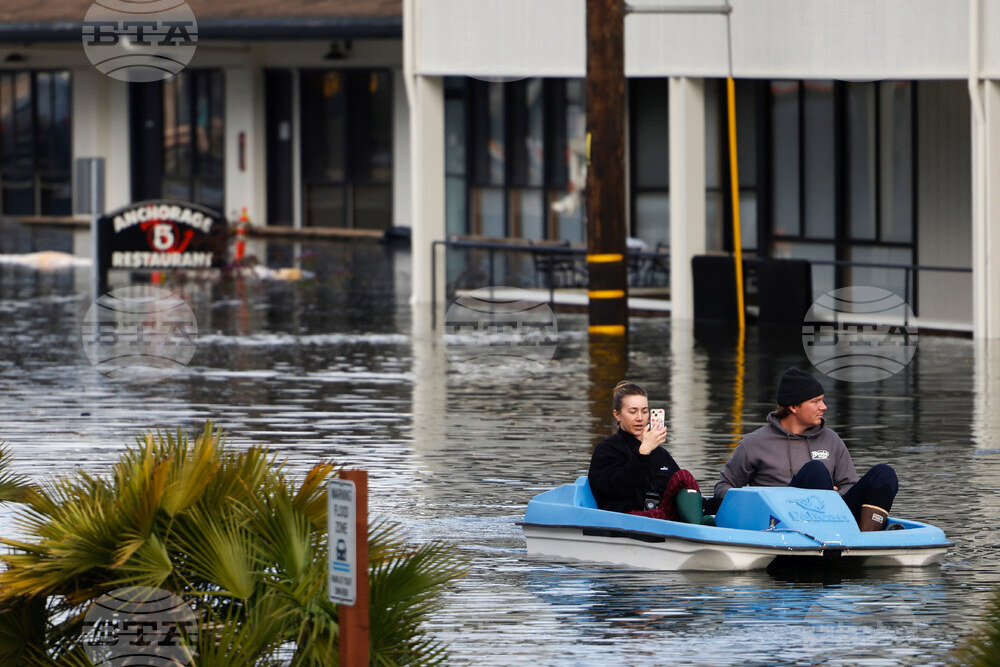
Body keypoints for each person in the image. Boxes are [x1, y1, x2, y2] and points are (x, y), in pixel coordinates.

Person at [712, 367, 899, 531]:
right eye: (816, 401)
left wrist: (832, 496)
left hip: (835, 517)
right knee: (816, 470)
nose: (824, 407)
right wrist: (760, 500)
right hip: (781, 520)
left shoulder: (832, 440)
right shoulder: (754, 443)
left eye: (822, 400)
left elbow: (849, 485)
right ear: (794, 406)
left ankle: (864, 541)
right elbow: (723, 487)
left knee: (884, 473)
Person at [588, 380, 706, 524]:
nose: (640, 418)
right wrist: (643, 453)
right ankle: (698, 528)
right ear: (617, 415)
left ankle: (700, 524)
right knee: (657, 515)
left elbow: (680, 493)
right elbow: (617, 489)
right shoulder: (606, 450)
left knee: (684, 476)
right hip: (623, 519)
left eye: (644, 411)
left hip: (662, 518)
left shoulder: (660, 453)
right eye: (632, 412)